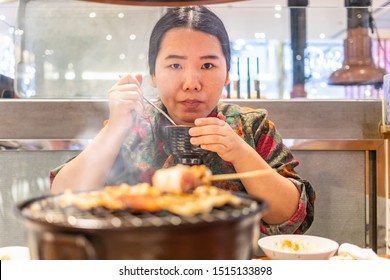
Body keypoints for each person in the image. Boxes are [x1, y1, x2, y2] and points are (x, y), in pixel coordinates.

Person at [51, 6, 315, 235]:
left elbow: (293, 217)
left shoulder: (251, 126)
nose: (191, 84)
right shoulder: (131, 126)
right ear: (153, 74)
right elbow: (62, 199)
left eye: (208, 66)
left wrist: (240, 151)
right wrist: (115, 129)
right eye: (175, 66)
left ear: (227, 74)